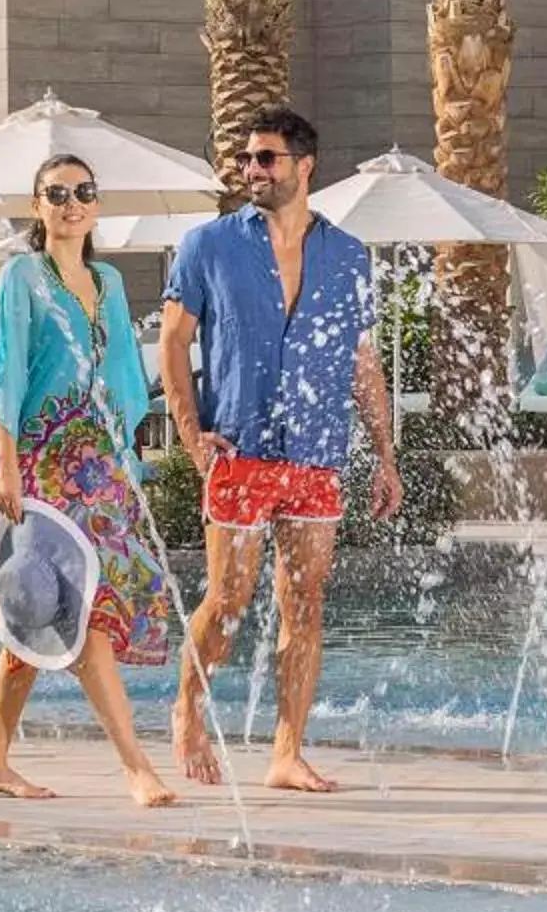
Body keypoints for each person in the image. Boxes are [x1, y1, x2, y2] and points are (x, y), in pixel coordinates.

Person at [161, 105, 399, 793]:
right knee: (230, 598)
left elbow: (362, 361)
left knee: (306, 599)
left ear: (304, 166)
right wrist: (188, 430)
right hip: (240, 448)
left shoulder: (348, 255)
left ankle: (287, 751)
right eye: (245, 159)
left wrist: (383, 454)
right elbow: (175, 341)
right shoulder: (208, 246)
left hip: (317, 453)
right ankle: (188, 709)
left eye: (265, 159)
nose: (251, 170)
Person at [0, 151, 179, 809]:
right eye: (56, 193)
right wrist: (7, 465)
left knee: (36, 615)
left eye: (83, 192)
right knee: (85, 616)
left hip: (95, 472)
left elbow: (127, 376)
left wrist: (124, 466)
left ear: (96, 205)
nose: (71, 203)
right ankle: (136, 768)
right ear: (37, 206)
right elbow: (3, 374)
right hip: (37, 469)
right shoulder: (23, 277)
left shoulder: (110, 281)